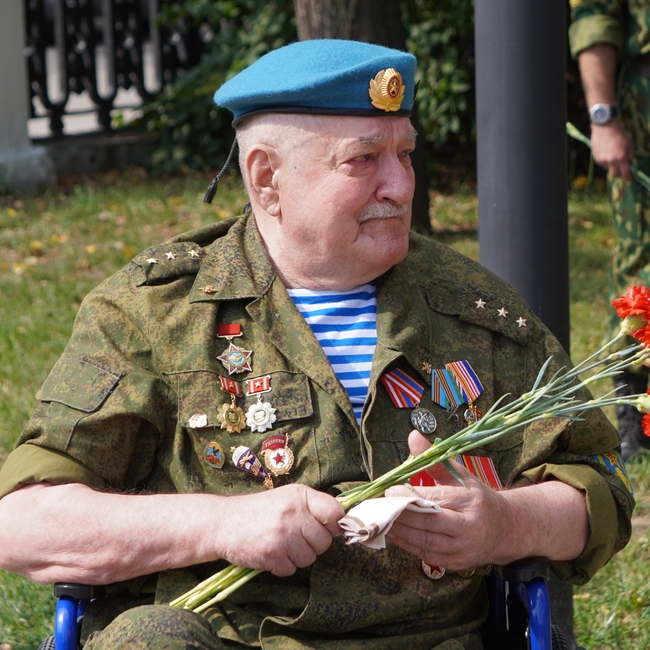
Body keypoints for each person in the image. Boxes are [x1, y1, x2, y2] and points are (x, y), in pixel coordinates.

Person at [0, 40, 634, 649]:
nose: (400, 186)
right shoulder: (156, 315)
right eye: (364, 160)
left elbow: (601, 487)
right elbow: (23, 523)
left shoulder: (474, 309)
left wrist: (502, 524)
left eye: (405, 154)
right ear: (266, 178)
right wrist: (222, 525)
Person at [570, 1, 650, 460]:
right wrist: (603, 118)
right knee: (642, 271)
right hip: (643, 114)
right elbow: (594, 18)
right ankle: (636, 420)